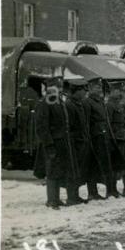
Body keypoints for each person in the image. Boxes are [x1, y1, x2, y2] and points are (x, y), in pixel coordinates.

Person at [33, 76, 81, 209]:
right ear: (49, 89)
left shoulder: (59, 102)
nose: (59, 90)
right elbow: (42, 127)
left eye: (59, 87)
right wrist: (49, 144)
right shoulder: (44, 104)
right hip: (52, 143)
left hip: (63, 143)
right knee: (52, 171)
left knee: (60, 170)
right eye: (56, 87)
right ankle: (52, 200)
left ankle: (57, 198)